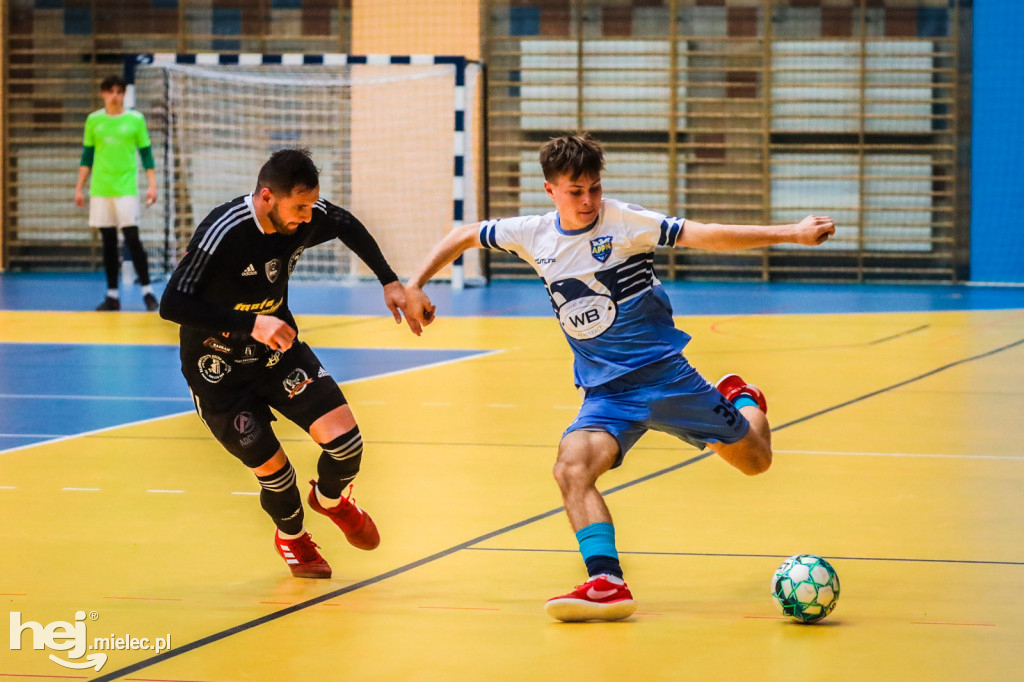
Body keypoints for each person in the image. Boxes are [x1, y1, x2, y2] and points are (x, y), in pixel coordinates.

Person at [403, 133, 835, 622]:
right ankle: (606, 581)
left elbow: (709, 234)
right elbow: (464, 233)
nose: (588, 201)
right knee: (571, 468)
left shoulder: (625, 222)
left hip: (667, 379)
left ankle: (741, 397)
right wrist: (416, 283)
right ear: (551, 191)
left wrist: (791, 233)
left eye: (594, 188)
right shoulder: (532, 234)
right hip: (607, 393)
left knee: (756, 461)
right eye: (575, 191)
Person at [160, 148, 421, 579]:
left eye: (310, 204)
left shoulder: (307, 214)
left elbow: (345, 223)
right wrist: (249, 324)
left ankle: (332, 501)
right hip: (218, 369)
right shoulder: (225, 230)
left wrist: (389, 281)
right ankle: (293, 537)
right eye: (298, 207)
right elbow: (172, 304)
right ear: (267, 198)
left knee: (347, 445)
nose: (307, 215)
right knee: (277, 476)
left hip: (278, 351)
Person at [75, 74, 159, 312]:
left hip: (126, 189)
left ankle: (147, 292)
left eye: (119, 91)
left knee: (132, 239)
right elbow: (87, 156)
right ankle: (112, 295)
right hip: (101, 189)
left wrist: (152, 185)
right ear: (103, 93)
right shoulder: (93, 121)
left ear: (124, 94)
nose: (115, 95)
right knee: (108, 241)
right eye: (110, 91)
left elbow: (146, 154)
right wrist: (79, 187)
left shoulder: (135, 120)